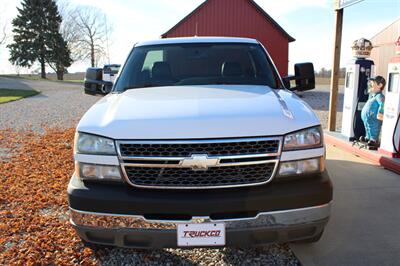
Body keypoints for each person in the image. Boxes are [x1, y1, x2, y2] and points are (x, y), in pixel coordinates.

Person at [360, 76, 386, 149]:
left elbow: (382, 104)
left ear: (380, 85)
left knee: (374, 128)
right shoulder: (372, 96)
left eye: (372, 83)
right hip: (367, 118)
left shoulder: (379, 96)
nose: (370, 84)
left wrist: (381, 113)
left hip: (374, 118)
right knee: (367, 127)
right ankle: (368, 137)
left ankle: (374, 140)